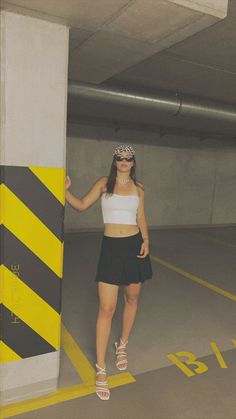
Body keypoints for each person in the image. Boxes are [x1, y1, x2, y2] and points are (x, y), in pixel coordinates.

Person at [65, 143, 152, 401]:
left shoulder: (139, 188)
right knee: (106, 308)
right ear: (114, 162)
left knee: (132, 298)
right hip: (111, 249)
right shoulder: (104, 183)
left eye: (128, 158)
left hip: (134, 245)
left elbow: (141, 216)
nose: (124, 162)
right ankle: (101, 369)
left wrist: (146, 240)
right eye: (120, 158)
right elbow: (80, 205)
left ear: (133, 162)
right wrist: (64, 191)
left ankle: (122, 345)